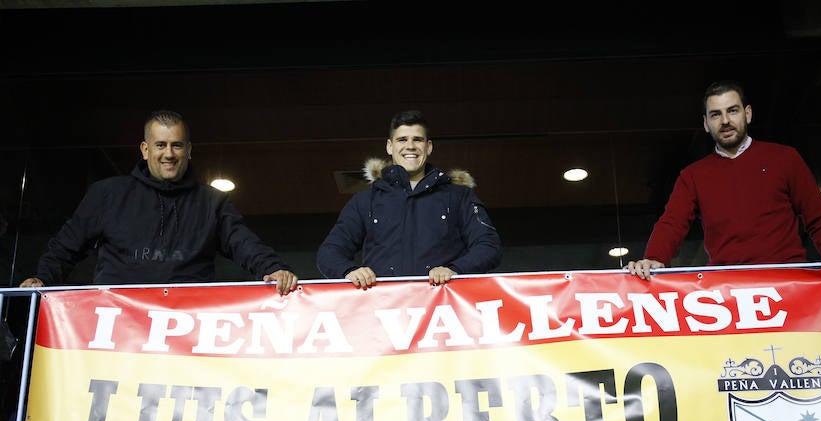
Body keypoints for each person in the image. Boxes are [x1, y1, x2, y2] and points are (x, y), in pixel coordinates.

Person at [19, 110, 297, 295]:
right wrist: (43, 279)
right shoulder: (107, 194)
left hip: (189, 324)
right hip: (116, 322)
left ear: (188, 151)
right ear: (145, 149)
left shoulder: (212, 202)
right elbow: (67, 245)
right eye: (160, 145)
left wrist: (272, 269)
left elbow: (243, 243)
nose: (169, 154)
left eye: (177, 145)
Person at [626, 80, 821, 295]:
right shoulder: (693, 176)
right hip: (729, 291)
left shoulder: (784, 158)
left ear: (748, 113)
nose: (725, 120)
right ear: (706, 124)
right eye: (716, 115)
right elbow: (672, 223)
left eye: (732, 110)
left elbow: (819, 215)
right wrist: (654, 258)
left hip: (788, 284)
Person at [316, 109, 501, 289]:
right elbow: (328, 253)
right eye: (402, 139)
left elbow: (488, 246)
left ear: (429, 147)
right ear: (390, 146)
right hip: (382, 310)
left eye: (418, 139)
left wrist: (455, 269)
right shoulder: (365, 201)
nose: (410, 146)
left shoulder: (459, 197)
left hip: (442, 311)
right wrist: (349, 271)